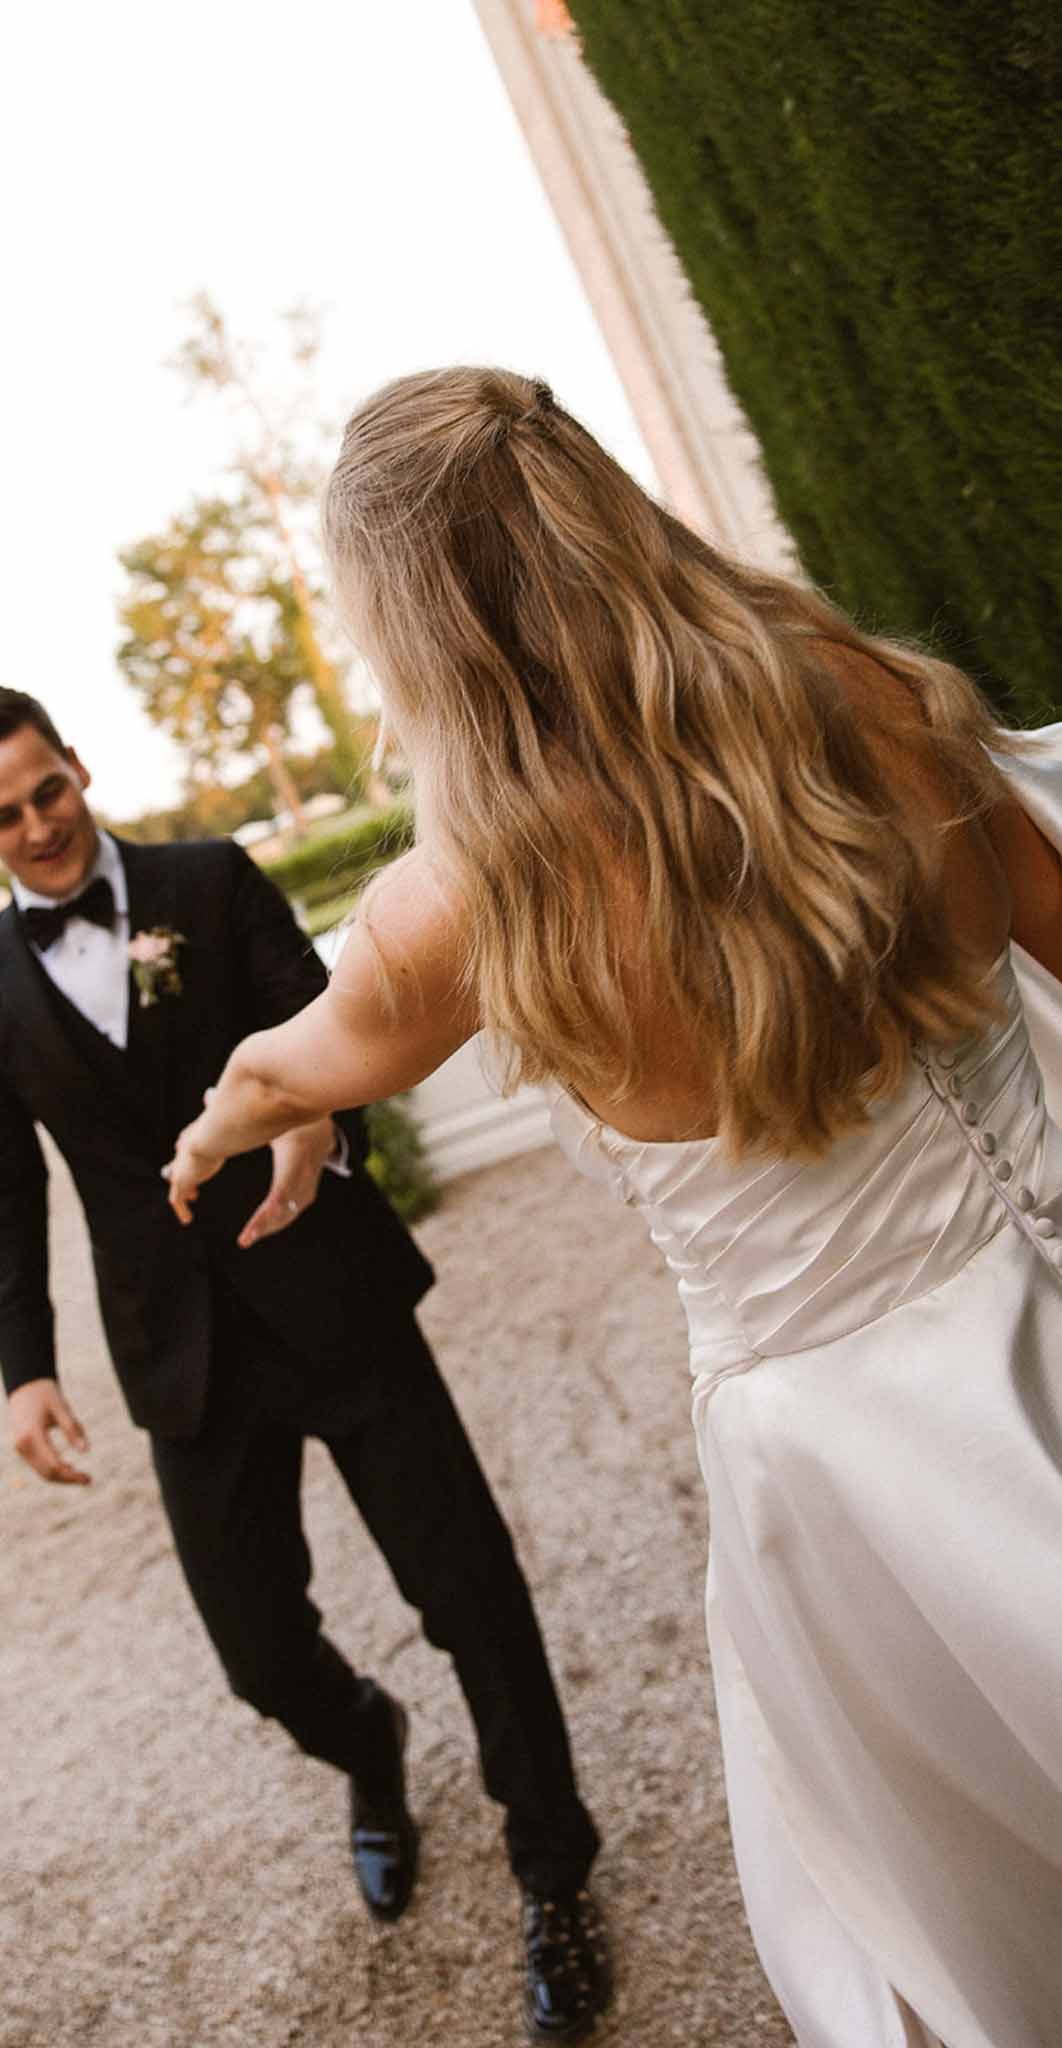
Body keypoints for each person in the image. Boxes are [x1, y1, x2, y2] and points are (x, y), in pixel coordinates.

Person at [167, 366, 1062, 2048]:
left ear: (408, 630)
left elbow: (292, 1065)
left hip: (848, 1474)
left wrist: (235, 1125)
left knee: (977, 1911)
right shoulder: (857, 695)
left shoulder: (459, 912)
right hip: (1048, 1292)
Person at [0, 686, 608, 2044]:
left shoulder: (209, 876)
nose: (37, 828)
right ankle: (370, 1746)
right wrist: (25, 1367)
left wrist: (315, 1130)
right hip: (177, 1357)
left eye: (47, 791)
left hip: (330, 1292)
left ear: (77, 767)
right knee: (257, 1655)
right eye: (1, 816)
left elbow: (330, 1027)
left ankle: (554, 1873)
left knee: (468, 1589)